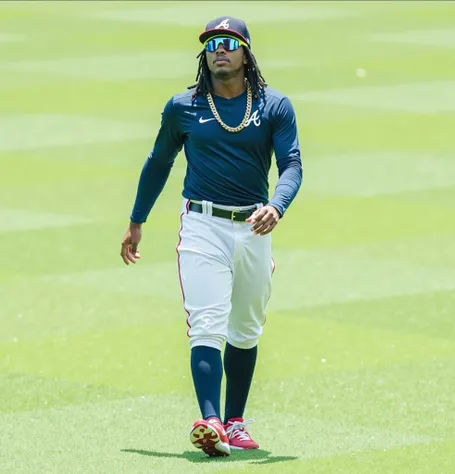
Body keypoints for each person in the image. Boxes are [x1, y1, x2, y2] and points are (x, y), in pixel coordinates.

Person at [120, 16, 303, 457]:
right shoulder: (182, 107)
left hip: (254, 227)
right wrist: (136, 220)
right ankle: (211, 420)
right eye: (212, 43)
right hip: (202, 225)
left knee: (246, 328)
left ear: (246, 53)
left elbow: (292, 164)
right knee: (206, 322)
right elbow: (158, 162)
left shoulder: (274, 106)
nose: (219, 49)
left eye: (229, 42)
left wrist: (276, 206)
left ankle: (235, 421)